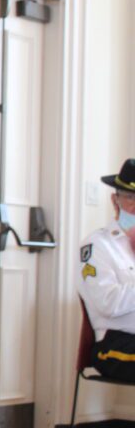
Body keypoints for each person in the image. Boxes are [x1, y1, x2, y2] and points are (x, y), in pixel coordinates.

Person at [77, 157, 135, 381]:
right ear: (115, 200)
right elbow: (108, 303)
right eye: (130, 197)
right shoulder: (97, 245)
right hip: (115, 343)